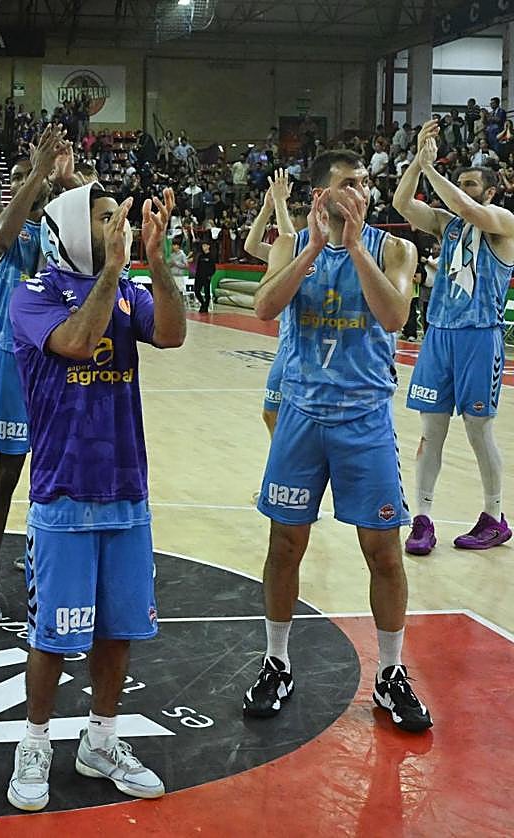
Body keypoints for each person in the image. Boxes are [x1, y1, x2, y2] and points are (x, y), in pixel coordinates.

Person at [5, 184, 186, 811]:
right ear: (71, 231)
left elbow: (172, 333)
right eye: (105, 219)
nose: (120, 226)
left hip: (125, 485)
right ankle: (34, 742)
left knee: (118, 627)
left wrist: (156, 262)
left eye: (121, 218)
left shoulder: (130, 288)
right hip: (63, 488)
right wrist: (113, 269)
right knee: (54, 634)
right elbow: (78, 342)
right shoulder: (31, 294)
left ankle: (101, 740)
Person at [247, 150, 431, 733]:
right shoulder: (291, 243)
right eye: (349, 184)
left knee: (383, 551)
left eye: (366, 183)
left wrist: (351, 245)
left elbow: (395, 315)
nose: (363, 191)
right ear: (321, 195)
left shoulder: (394, 249)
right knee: (285, 545)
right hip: (301, 417)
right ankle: (277, 660)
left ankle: (392, 673)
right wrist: (313, 246)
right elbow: (264, 307)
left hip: (364, 421)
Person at [392, 119, 511, 553]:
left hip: (480, 336)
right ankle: (422, 518)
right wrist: (417, 162)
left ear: (491, 191)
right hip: (439, 334)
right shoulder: (448, 226)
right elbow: (402, 203)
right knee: (431, 431)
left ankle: (495, 517)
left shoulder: (502, 222)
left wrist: (433, 172)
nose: (464, 187)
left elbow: (471, 211)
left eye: (471, 183)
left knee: (479, 430)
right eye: (460, 181)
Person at [0, 125, 67, 622]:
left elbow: (97, 226)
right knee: (6, 474)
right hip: (15, 363)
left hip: (63, 362)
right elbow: (3, 233)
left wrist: (66, 183)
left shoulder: (62, 233)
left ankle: (49, 570)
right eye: (16, 177)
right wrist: (40, 176)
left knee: (58, 476)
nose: (23, 181)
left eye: (31, 176)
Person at [243, 170, 296, 437]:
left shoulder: (309, 250)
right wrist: (267, 208)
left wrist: (280, 202)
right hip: (285, 346)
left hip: (303, 347)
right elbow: (251, 246)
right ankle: (283, 458)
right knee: (270, 413)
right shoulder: (286, 253)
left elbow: (292, 240)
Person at [193, 239, 216, 313]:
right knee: (196, 291)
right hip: (199, 276)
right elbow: (198, 267)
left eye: (205, 245)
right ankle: (202, 303)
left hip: (206, 277)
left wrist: (209, 275)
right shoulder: (200, 256)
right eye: (203, 246)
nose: (204, 247)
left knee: (207, 292)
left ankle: (205, 306)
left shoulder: (211, 256)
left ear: (208, 246)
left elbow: (213, 268)